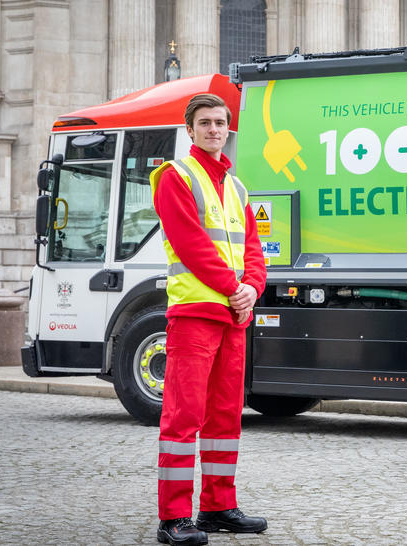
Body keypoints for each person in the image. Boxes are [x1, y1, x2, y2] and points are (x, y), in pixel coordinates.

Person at [150, 93, 268, 546]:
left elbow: (254, 250)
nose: (215, 129)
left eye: (220, 122)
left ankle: (218, 507)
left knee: (224, 416)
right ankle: (174, 518)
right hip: (196, 314)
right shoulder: (175, 177)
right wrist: (234, 290)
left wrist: (252, 288)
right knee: (183, 417)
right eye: (205, 123)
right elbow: (191, 244)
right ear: (191, 130)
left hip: (232, 316)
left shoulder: (237, 187)